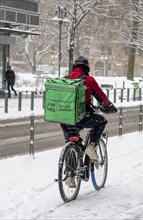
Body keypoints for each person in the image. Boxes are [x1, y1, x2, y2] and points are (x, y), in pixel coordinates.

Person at [60, 56, 117, 187]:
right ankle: (91, 147)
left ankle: (69, 174)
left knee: (71, 141)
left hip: (65, 119)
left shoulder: (66, 80)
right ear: (87, 68)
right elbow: (101, 97)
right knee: (101, 122)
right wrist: (108, 106)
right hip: (82, 117)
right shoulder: (88, 80)